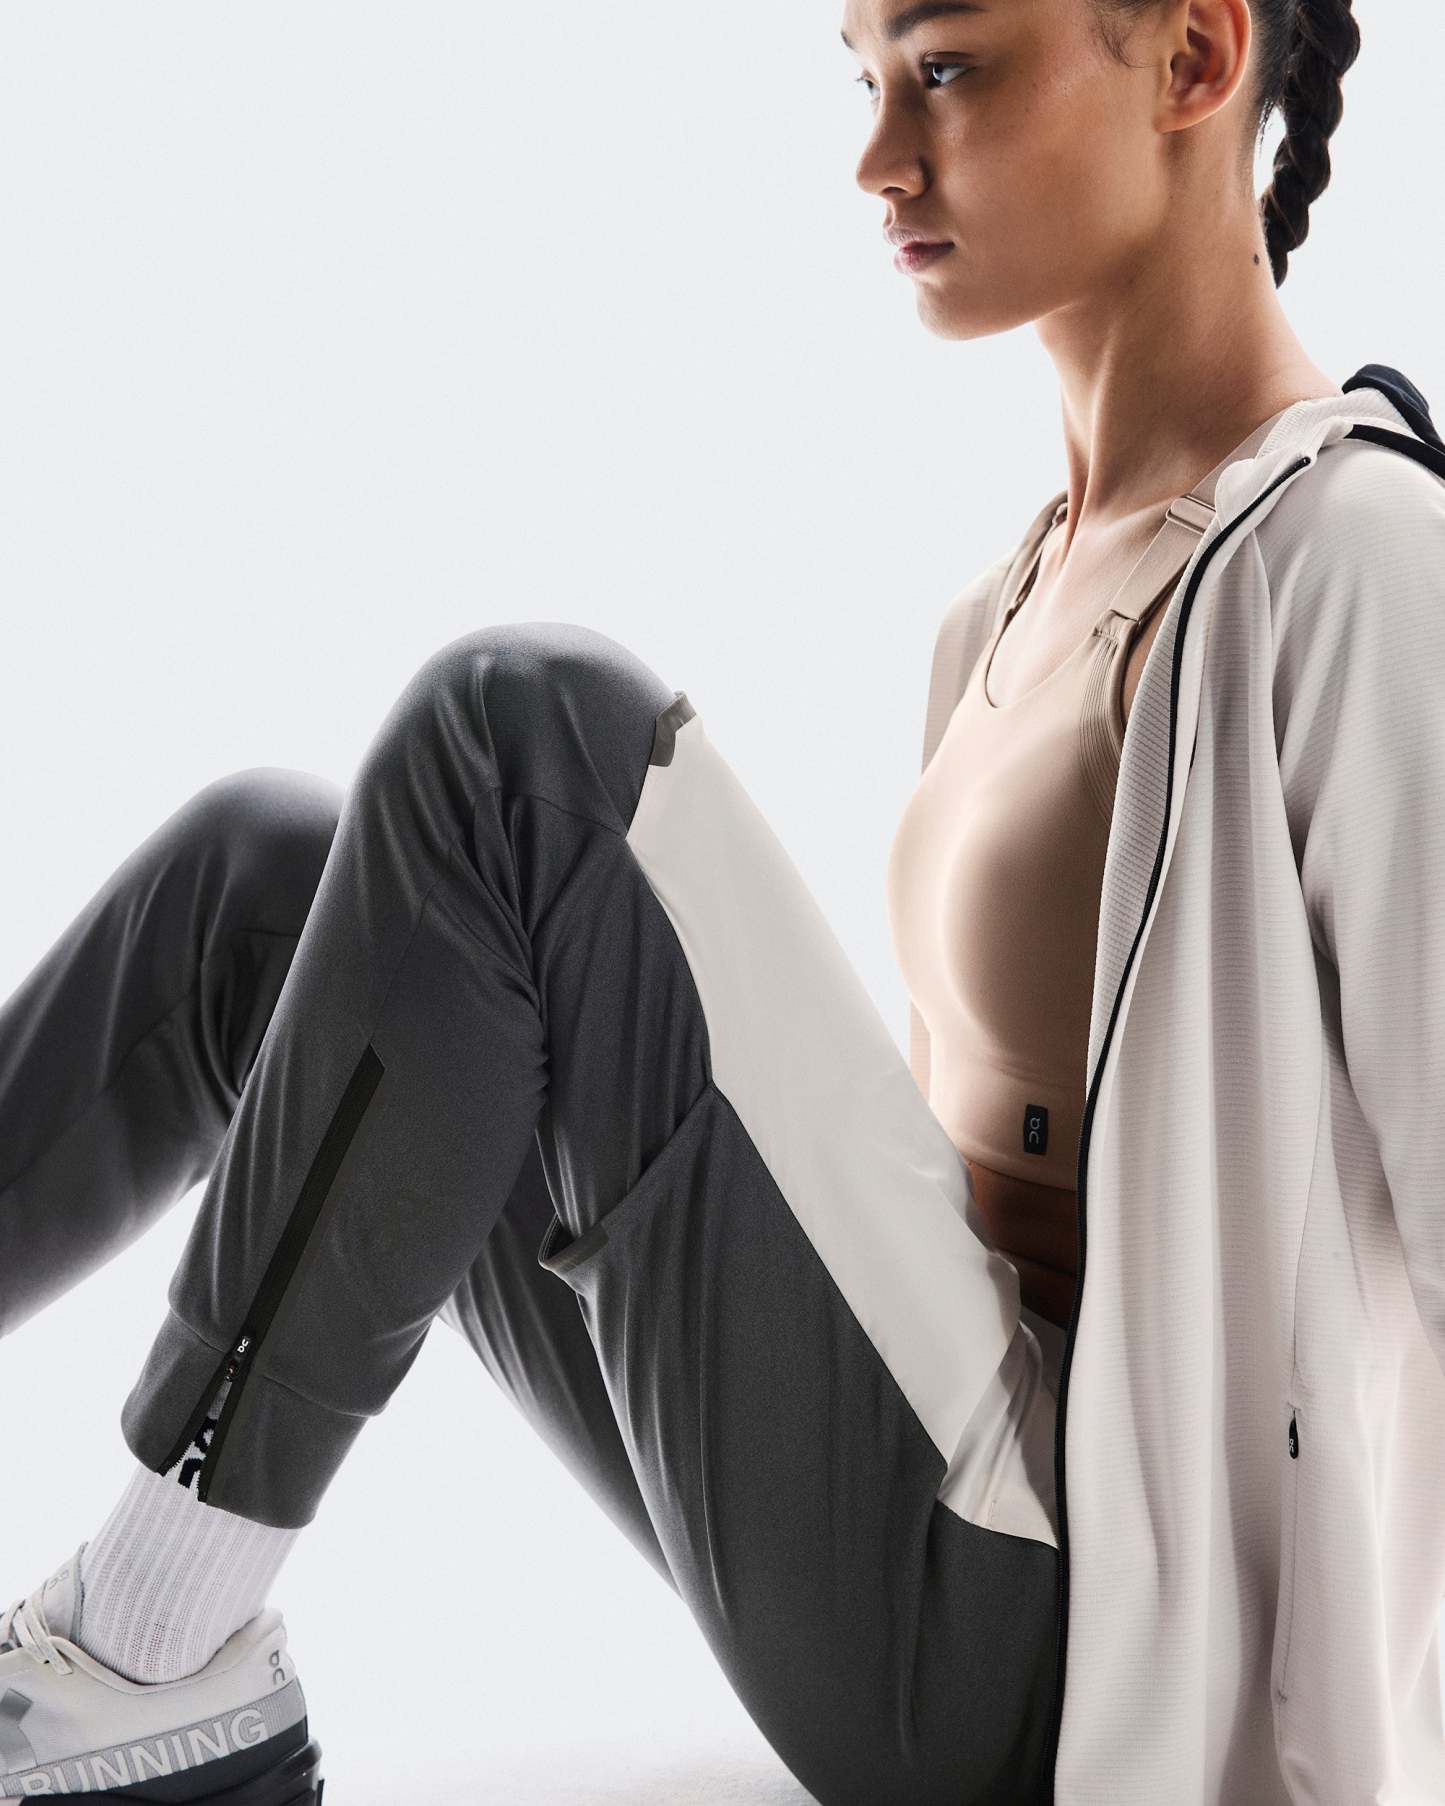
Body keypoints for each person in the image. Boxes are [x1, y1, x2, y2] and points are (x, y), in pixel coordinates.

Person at [8, 0, 1441, 1803]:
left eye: (946, 69)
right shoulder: (1005, 604)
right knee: (269, 884)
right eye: (864, 79)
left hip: (1068, 1658)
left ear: (1195, 60)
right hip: (913, 1498)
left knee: (522, 739)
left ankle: (146, 1643)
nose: (877, 158)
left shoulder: (1362, 563)